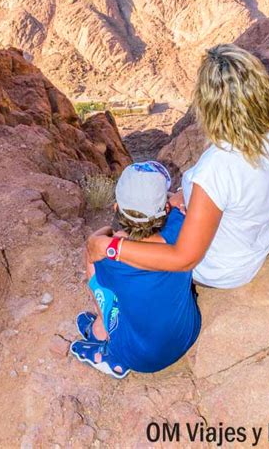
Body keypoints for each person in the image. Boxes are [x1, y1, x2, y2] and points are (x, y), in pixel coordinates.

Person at [87, 44, 269, 290]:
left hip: (220, 268)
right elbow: (241, 191)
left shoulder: (218, 166)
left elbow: (185, 259)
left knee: (123, 236)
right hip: (254, 242)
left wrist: (112, 248)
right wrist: (188, 196)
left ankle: (106, 319)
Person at [71, 161, 201, 378]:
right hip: (187, 332)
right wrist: (173, 199)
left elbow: (96, 242)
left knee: (92, 263)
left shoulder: (110, 260)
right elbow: (180, 199)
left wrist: (111, 233)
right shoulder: (181, 227)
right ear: (166, 209)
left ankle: (104, 335)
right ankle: (106, 330)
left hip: (141, 357)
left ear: (116, 209)